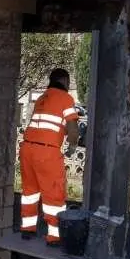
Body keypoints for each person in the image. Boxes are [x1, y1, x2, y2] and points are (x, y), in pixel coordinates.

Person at [19, 68, 81, 245]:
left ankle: (28, 229)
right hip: (47, 152)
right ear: (65, 82)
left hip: (27, 149)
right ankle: (54, 235)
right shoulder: (66, 98)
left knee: (30, 192)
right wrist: (73, 145)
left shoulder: (42, 98)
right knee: (54, 194)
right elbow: (72, 127)